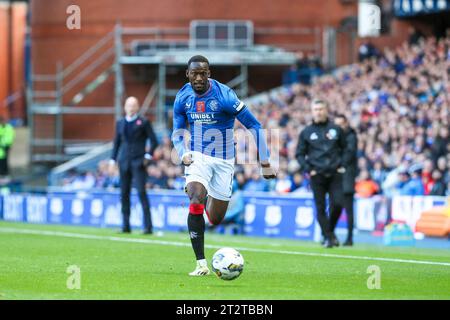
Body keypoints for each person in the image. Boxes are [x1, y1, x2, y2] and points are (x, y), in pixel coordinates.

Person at [172, 55, 276, 276]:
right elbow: (177, 132)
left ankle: (204, 193)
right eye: (194, 73)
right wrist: (182, 153)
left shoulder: (225, 96)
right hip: (198, 156)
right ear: (187, 74)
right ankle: (201, 264)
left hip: (224, 160)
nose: (199, 77)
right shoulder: (182, 97)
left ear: (209, 73)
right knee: (195, 198)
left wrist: (265, 161)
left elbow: (255, 125)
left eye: (203, 73)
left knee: (216, 218)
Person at [295, 99, 348, 248]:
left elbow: (346, 149)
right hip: (316, 175)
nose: (318, 111)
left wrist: (342, 165)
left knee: (338, 204)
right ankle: (330, 238)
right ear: (312, 112)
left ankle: (328, 233)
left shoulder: (336, 129)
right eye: (316, 109)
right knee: (320, 208)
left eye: (321, 109)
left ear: (326, 110)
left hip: (335, 173)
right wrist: (308, 169)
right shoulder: (306, 132)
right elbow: (299, 154)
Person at [110, 96, 159, 234]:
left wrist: (147, 156)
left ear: (137, 107)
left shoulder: (143, 122)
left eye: (133, 105)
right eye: (128, 105)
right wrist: (112, 160)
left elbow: (154, 141)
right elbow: (116, 143)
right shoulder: (120, 123)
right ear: (125, 107)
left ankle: (148, 227)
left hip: (138, 162)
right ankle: (126, 226)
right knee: (124, 193)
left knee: (141, 193)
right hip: (124, 162)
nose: (131, 108)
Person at [334, 114, 358, 246]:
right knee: (333, 207)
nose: (339, 127)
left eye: (341, 124)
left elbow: (349, 154)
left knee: (348, 209)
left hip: (347, 178)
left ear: (346, 123)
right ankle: (330, 235)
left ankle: (349, 238)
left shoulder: (351, 137)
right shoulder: (335, 137)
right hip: (335, 178)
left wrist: (337, 164)